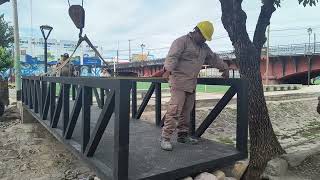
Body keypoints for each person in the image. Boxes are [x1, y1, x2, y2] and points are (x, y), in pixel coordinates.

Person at [160, 21, 229, 151]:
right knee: (174, 110)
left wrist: (224, 68)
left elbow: (213, 58)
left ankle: (182, 136)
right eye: (203, 36)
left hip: (191, 83)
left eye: (205, 38)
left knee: (186, 112)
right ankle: (165, 137)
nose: (204, 40)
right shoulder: (181, 41)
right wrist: (167, 70)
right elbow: (172, 57)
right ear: (196, 31)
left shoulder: (204, 47)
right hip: (178, 82)